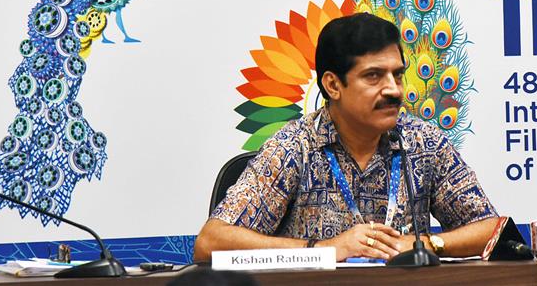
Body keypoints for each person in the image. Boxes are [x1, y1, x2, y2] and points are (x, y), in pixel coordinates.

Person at [194, 13, 498, 262]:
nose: (394, 90)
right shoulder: (294, 146)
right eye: (374, 76)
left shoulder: (422, 141)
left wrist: (425, 245)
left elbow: (492, 230)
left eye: (398, 75)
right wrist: (325, 249)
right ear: (333, 85)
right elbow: (210, 243)